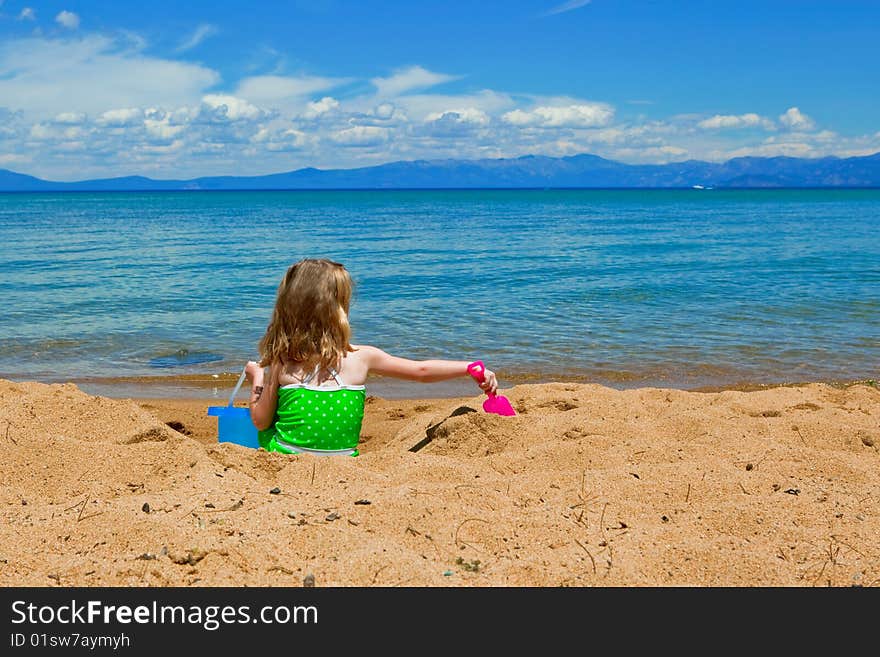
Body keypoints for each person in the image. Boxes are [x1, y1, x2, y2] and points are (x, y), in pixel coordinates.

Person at [245, 258, 498, 456]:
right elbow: (420, 372)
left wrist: (257, 378)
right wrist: (468, 367)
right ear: (339, 308)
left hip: (288, 457)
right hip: (344, 462)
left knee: (268, 428)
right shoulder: (362, 357)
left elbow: (259, 420)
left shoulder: (284, 361)